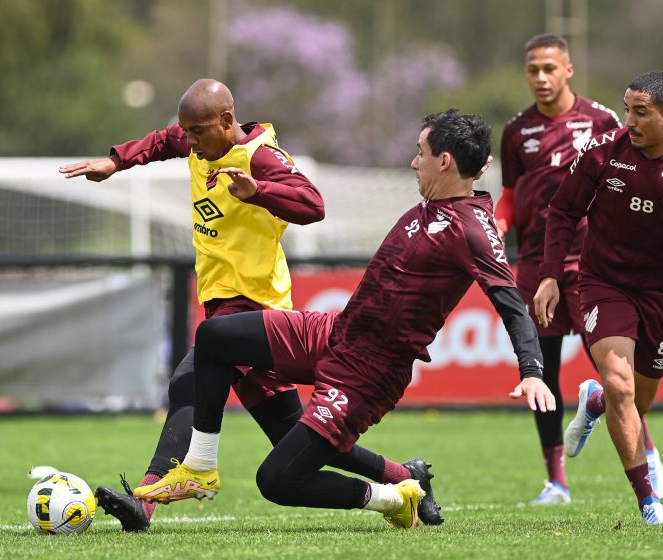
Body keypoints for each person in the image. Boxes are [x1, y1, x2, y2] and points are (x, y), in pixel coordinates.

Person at [132, 109, 555, 529]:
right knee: (215, 336)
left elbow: (511, 303)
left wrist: (532, 370)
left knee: (276, 480)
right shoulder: (431, 205)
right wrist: (124, 157)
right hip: (335, 332)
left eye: (420, 152)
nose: (413, 162)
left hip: (367, 373)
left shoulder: (474, 229)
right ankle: (201, 465)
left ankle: (393, 497)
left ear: (444, 161)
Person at [59, 79, 443, 531]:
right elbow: (167, 140)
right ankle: (405, 477)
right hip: (225, 305)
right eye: (189, 133)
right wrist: (116, 160)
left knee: (188, 380)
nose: (191, 142)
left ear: (227, 121)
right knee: (293, 438)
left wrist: (257, 191)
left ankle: (145, 503)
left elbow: (313, 204)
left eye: (198, 132)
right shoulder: (200, 141)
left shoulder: (261, 156)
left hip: (256, 308)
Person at [534, 70, 663, 524]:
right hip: (604, 283)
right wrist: (549, 275)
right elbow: (562, 210)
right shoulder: (603, 152)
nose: (629, 120)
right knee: (621, 385)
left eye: (640, 112)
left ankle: (594, 401)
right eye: (626, 109)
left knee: (634, 402)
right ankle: (648, 502)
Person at [497, 34, 663, 505]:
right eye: (533, 70)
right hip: (535, 264)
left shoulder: (602, 120)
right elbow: (511, 195)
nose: (541, 78)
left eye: (549, 68)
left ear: (568, 69)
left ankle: (648, 454)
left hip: (592, 265)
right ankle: (556, 482)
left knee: (614, 371)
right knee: (542, 374)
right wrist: (497, 226)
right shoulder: (515, 133)